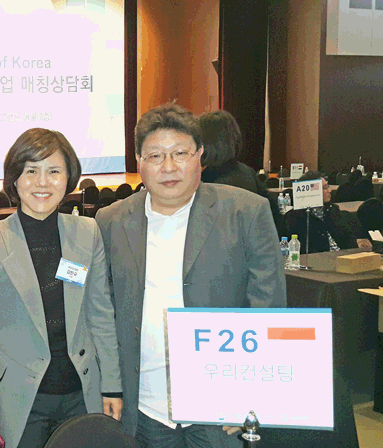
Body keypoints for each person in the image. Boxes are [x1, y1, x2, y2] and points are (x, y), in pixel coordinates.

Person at [95, 104, 286, 448]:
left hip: (221, 406)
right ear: (139, 161)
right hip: (144, 405)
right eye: (155, 155)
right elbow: (102, 310)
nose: (168, 167)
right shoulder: (111, 221)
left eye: (180, 153)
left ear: (200, 155)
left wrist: (252, 393)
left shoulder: (246, 211)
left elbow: (268, 308)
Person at [0, 128, 123, 448]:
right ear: (15, 179)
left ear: (68, 178)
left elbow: (100, 313)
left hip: (81, 392)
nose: (42, 182)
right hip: (20, 397)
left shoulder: (87, 231)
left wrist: (112, 385)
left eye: (53, 171)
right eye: (31, 171)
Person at [285, 170, 372, 253]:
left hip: (341, 256)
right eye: (325, 188)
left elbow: (345, 237)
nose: (330, 190)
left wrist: (356, 242)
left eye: (328, 186)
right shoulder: (295, 217)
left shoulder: (332, 210)